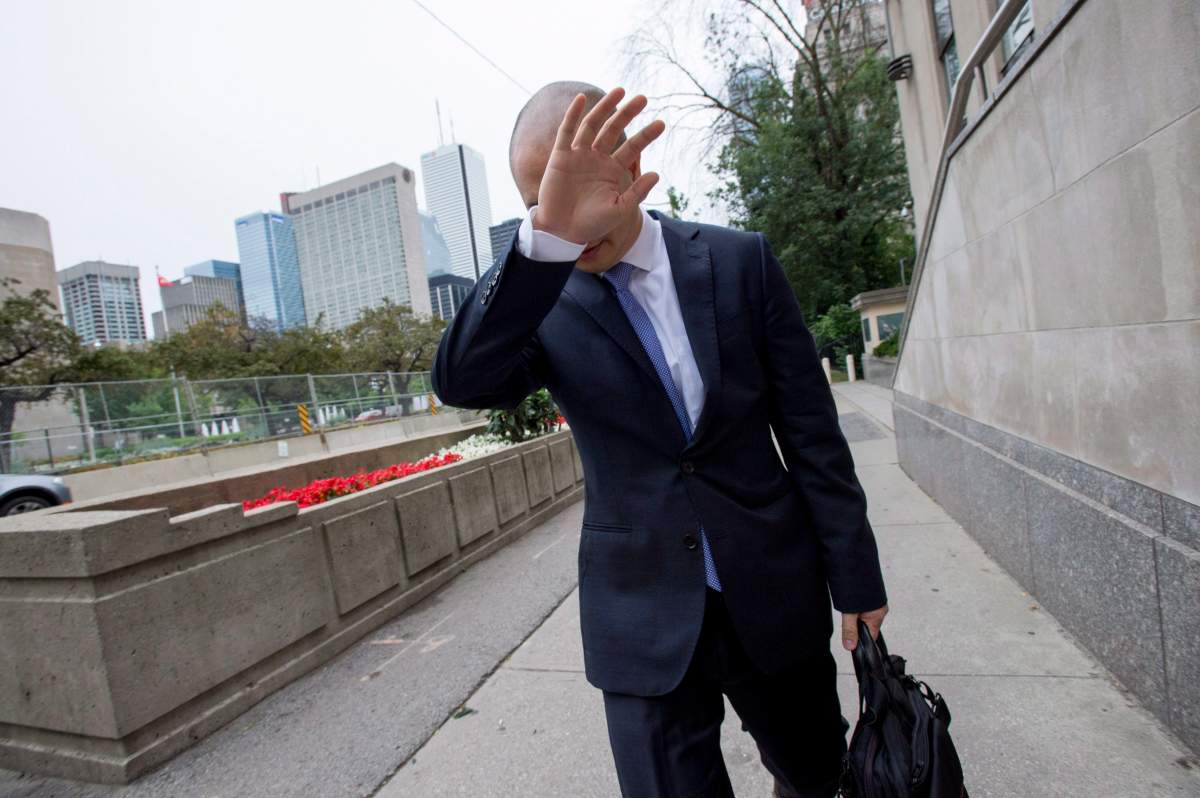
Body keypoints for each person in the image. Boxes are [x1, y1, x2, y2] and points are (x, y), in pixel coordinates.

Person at [432, 81, 889, 798]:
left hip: (771, 590)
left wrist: (856, 578)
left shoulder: (740, 262)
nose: (566, 214)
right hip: (640, 617)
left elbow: (813, 438)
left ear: (629, 167)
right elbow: (464, 382)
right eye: (541, 201)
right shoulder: (540, 300)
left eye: (575, 189)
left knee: (817, 776)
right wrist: (544, 242)